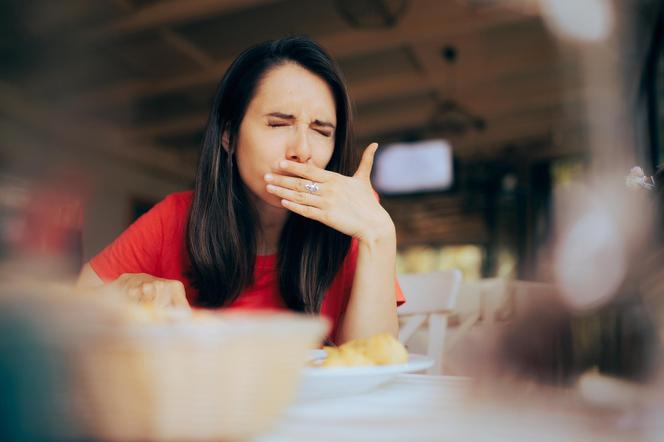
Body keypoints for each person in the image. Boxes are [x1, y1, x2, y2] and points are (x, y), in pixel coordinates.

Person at [76, 36, 404, 344]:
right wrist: (128, 290)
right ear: (229, 136)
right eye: (278, 124)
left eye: (322, 131)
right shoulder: (177, 217)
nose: (302, 150)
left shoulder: (356, 218)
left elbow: (372, 358)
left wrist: (378, 235)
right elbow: (76, 305)